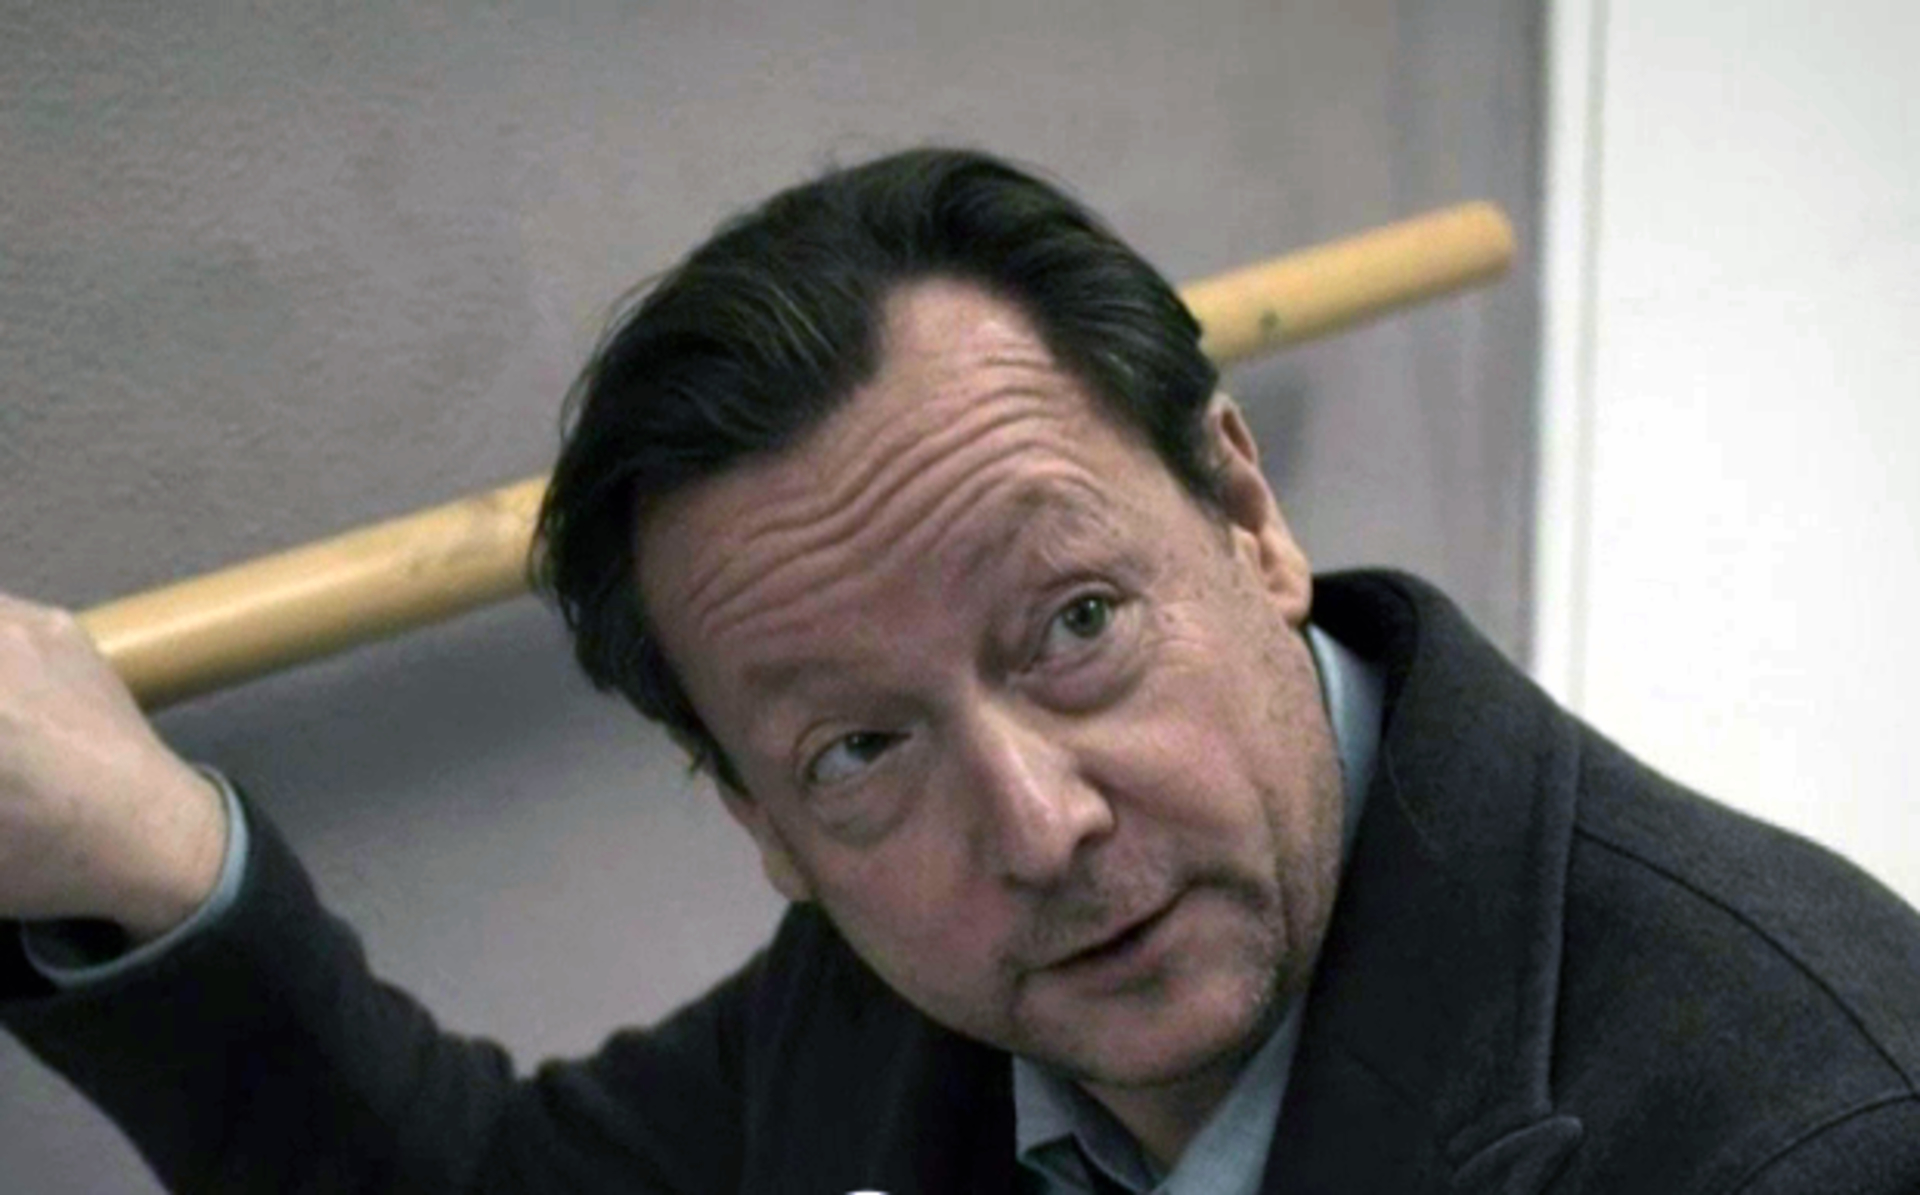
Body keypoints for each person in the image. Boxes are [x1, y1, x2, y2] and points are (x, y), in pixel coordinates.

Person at [3, 148, 1919, 1194]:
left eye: (1076, 625)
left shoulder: (1812, 1133)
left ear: (1245, 514)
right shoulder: (884, 980)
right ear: (761, 824)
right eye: (858, 750)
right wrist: (154, 862)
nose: (1036, 826)